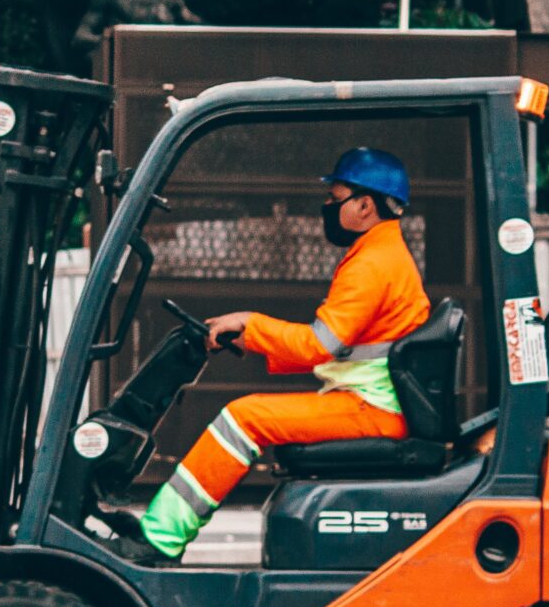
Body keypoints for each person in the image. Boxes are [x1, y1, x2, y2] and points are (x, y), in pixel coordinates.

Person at [135, 147, 430, 560]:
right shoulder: (381, 256)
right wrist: (245, 337)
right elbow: (338, 349)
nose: (327, 207)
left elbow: (317, 345)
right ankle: (159, 531)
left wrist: (251, 324)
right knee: (248, 414)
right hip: (373, 404)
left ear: (365, 205)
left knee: (244, 418)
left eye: (335, 198)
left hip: (373, 410)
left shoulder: (374, 264)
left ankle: (158, 540)